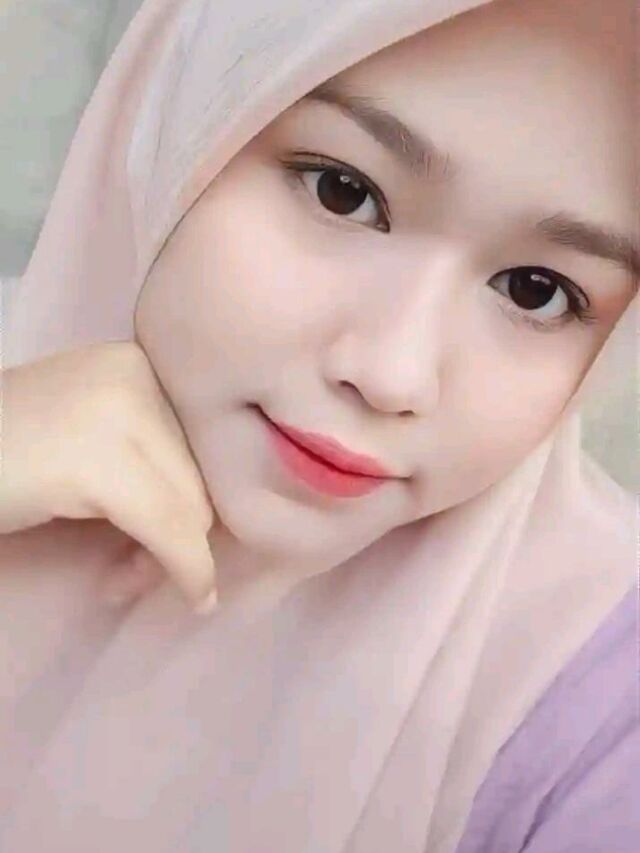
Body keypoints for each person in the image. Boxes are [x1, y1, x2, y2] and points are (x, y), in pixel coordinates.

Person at [0, 0, 637, 850]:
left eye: (537, 291)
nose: (392, 373)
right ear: (183, 117)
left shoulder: (603, 708)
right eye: (345, 192)